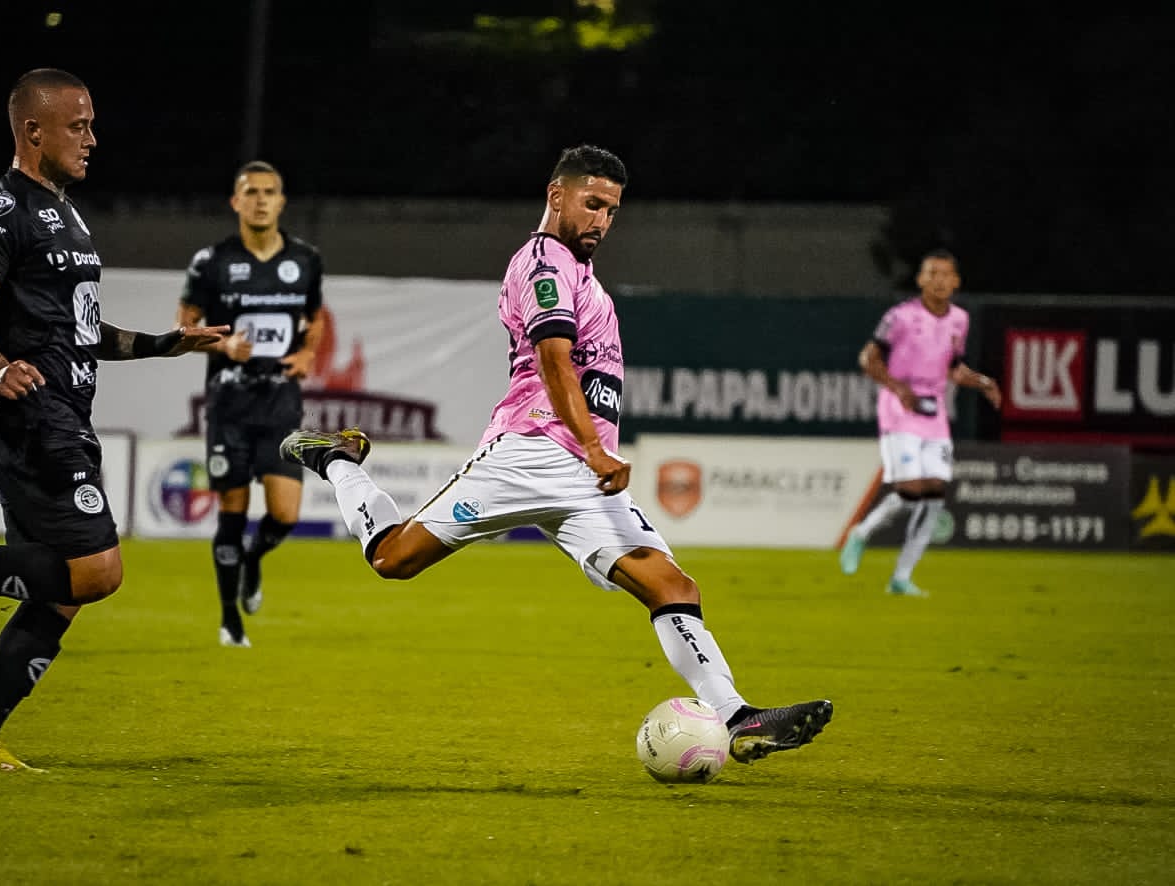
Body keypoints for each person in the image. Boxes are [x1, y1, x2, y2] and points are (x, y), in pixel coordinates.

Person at [281, 145, 833, 765]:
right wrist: (596, 449)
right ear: (556, 196)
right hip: (530, 454)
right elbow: (553, 360)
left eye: (612, 210)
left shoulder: (580, 272)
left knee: (671, 585)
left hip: (581, 478)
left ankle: (736, 717)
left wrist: (593, 456)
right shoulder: (541, 261)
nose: (602, 219)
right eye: (592, 203)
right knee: (392, 559)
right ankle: (340, 460)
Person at [0, 68, 226, 772]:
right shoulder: (6, 211)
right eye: (78, 125)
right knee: (95, 573)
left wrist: (169, 343)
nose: (93, 138)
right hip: (35, 423)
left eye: (91, 124)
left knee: (56, 597)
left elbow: (82, 334)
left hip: (61, 416)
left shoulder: (64, 212)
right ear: (33, 131)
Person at [176, 161, 324, 649]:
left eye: (269, 192)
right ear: (235, 202)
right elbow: (185, 327)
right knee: (232, 514)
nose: (260, 199)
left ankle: (253, 561)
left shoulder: (304, 259)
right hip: (230, 406)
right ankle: (228, 621)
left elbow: (314, 316)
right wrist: (221, 347)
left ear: (281, 201)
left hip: (280, 403)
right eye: (251, 192)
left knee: (285, 514)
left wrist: (306, 353)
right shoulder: (212, 261)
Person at [839, 248, 1002, 595]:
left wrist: (984, 382)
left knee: (935, 494)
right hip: (899, 409)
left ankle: (901, 576)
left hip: (935, 412)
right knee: (912, 489)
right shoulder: (900, 317)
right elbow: (868, 358)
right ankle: (862, 532)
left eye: (946, 274)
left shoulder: (959, 319)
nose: (940, 280)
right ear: (921, 279)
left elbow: (954, 368)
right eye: (932, 273)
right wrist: (897, 388)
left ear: (956, 281)